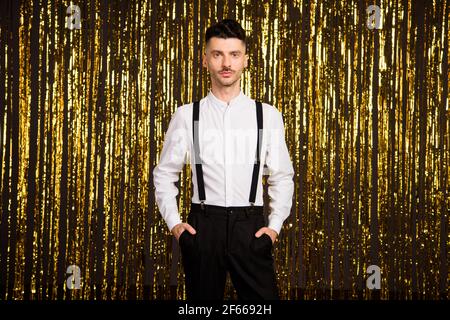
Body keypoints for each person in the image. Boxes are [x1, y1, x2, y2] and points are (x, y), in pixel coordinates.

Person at [153, 19, 294, 300]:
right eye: (217, 54)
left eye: (234, 54)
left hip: (250, 227)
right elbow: (164, 173)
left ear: (245, 60)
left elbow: (281, 176)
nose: (226, 63)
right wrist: (176, 225)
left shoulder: (267, 115)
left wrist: (274, 227)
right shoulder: (186, 115)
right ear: (205, 60)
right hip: (204, 227)